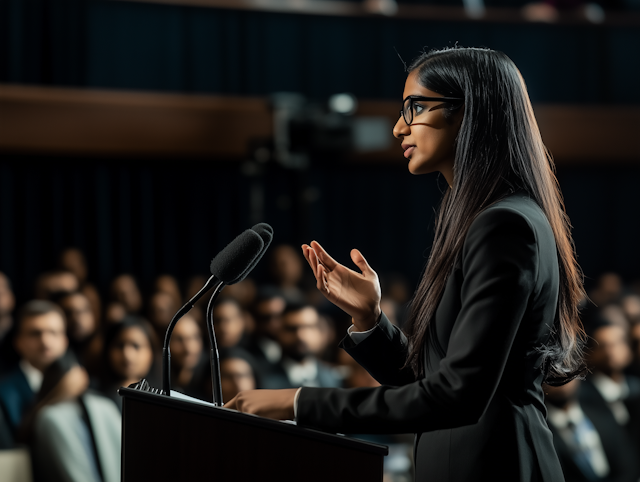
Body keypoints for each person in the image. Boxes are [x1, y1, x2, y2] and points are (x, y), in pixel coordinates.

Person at [225, 47, 586, 481]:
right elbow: (432, 382)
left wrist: (298, 402)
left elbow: (457, 395)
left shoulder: (504, 225)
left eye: (415, 107)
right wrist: (370, 320)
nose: (399, 127)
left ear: (469, 112)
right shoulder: (479, 218)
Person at [0, 300, 68, 443]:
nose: (45, 341)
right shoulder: (3, 392)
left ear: (64, 340)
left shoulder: (84, 385)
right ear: (18, 342)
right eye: (35, 333)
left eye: (53, 332)